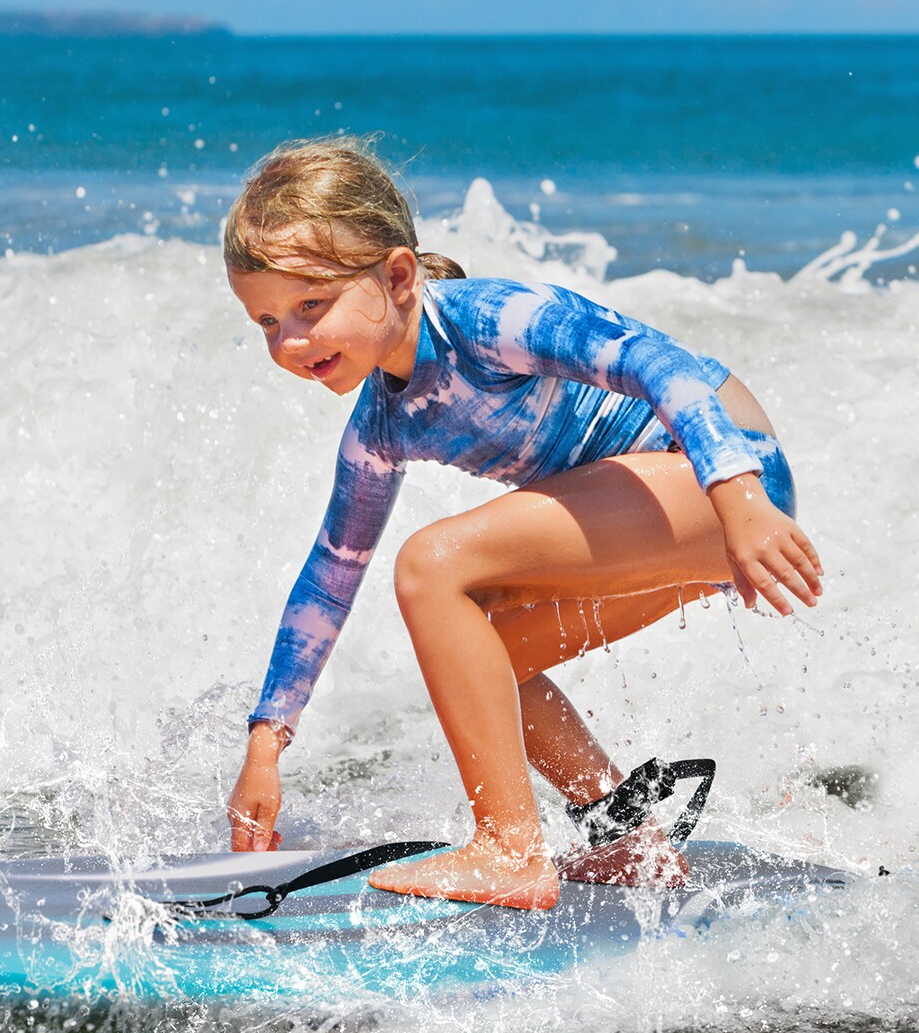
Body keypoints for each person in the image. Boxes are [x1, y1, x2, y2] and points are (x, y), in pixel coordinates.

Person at [222, 137, 822, 911]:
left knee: (431, 565)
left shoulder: (488, 320)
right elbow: (330, 577)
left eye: (311, 306)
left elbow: (656, 361)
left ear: (398, 276)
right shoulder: (381, 425)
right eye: (267, 322)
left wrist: (737, 497)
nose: (292, 342)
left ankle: (509, 848)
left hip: (723, 477)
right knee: (483, 650)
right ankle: (623, 834)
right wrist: (265, 746)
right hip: (665, 514)